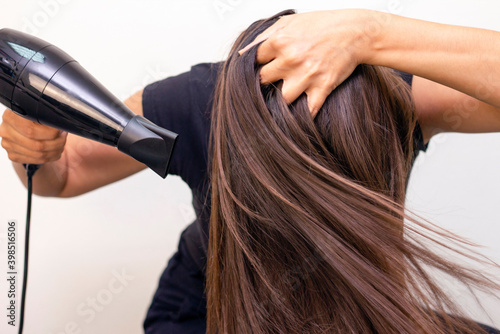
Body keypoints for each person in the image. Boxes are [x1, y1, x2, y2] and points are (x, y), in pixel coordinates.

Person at [1, 8, 499, 333]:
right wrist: (34, 146)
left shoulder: (396, 99)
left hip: (350, 305)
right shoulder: (195, 103)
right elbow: (63, 176)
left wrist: (371, 34)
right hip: (212, 311)